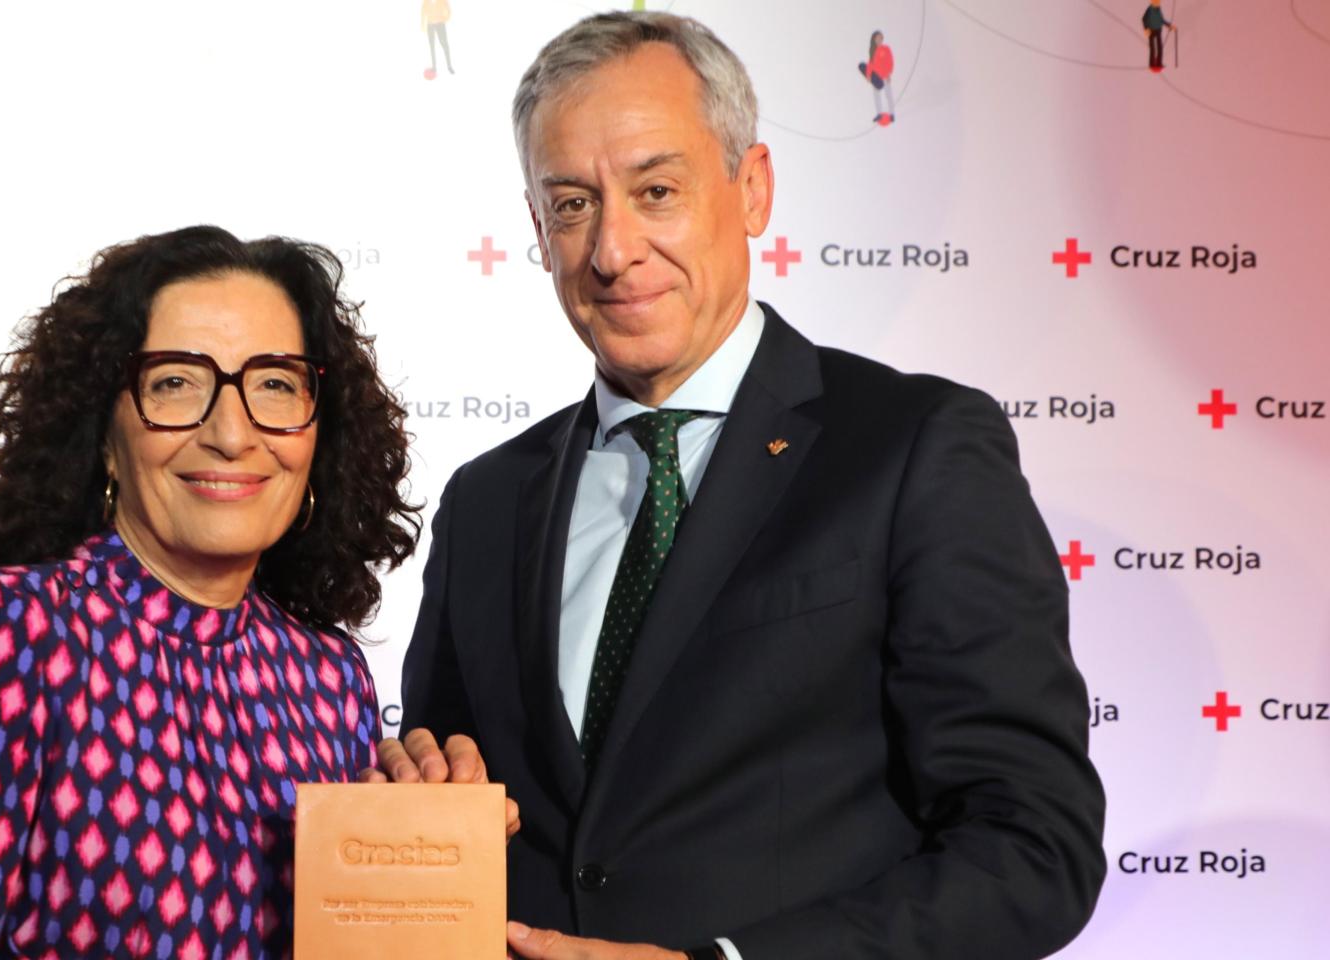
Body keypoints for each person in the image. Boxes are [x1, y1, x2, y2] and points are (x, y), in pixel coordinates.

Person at [393, 12, 1106, 960]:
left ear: (753, 188)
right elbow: (447, 804)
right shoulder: (486, 502)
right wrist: (422, 811)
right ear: (538, 226)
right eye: (571, 205)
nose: (613, 250)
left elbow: (1033, 848)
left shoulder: (913, 449)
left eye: (656, 190)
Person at [0, 226, 424, 959]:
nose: (232, 434)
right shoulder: (15, 633)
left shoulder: (329, 679)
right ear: (105, 431)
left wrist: (435, 857)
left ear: (318, 432)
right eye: (175, 383)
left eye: (274, 383)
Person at [860, 29, 896, 123]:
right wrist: (868, 75)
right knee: (876, 96)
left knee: (888, 95)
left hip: (885, 76)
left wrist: (889, 74)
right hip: (876, 77)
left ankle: (892, 114)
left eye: (881, 38)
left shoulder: (886, 48)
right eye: (878, 38)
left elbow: (890, 62)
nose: (879, 39)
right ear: (874, 39)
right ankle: (879, 114)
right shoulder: (872, 51)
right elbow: (870, 64)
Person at [423, 0, 454, 78]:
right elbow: (423, 11)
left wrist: (445, 19)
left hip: (440, 24)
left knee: (445, 45)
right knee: (432, 46)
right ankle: (434, 67)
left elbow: (449, 9)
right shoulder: (426, 1)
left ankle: (449, 66)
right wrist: (423, 25)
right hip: (430, 25)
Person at [1143, 1, 1174, 72]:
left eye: (1158, 2)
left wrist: (1169, 25)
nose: (1158, 3)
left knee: (1160, 47)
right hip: (1151, 30)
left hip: (1158, 30)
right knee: (1153, 48)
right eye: (1156, 2)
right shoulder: (1149, 9)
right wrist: (1146, 29)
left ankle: (1159, 63)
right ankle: (1152, 64)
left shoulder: (1158, 9)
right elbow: (1144, 19)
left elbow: (1161, 20)